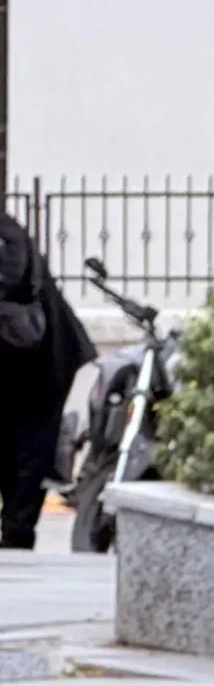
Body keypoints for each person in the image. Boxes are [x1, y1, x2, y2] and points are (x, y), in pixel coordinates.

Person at [0, 211, 92, 549]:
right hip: (25, 362)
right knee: (19, 446)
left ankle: (18, 530)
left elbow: (14, 280)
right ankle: (17, 528)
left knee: (29, 447)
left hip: (37, 361)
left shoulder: (7, 237)